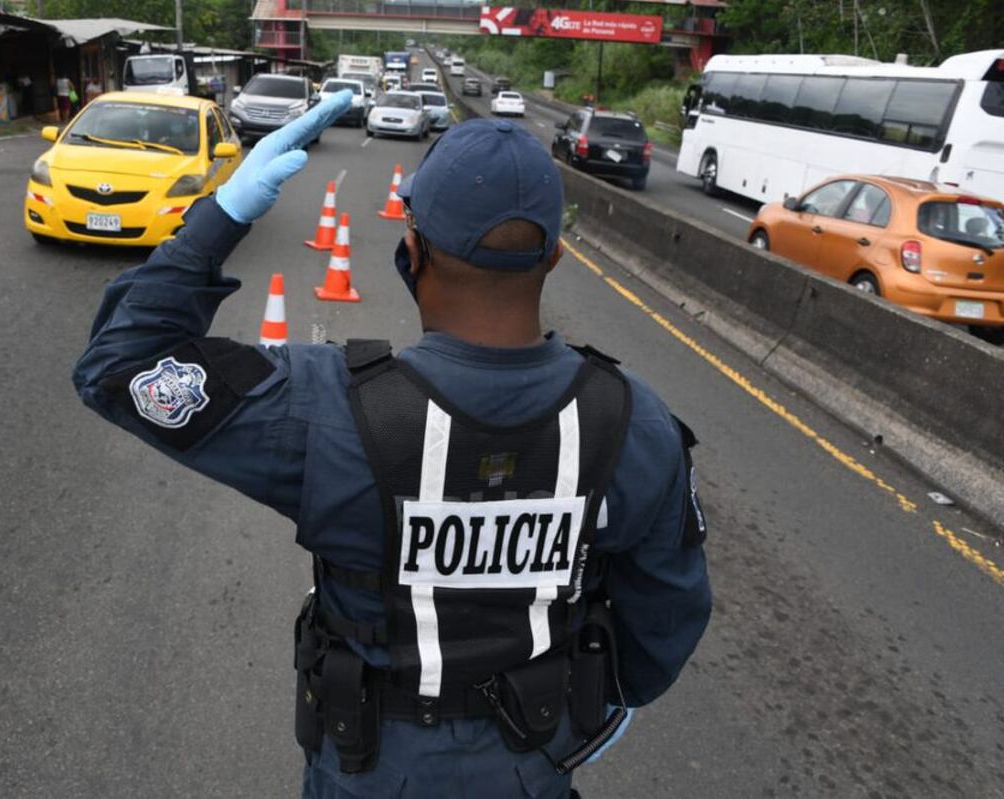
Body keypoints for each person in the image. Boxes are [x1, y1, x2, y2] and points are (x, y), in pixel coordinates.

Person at [72, 91, 711, 798]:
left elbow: (118, 366)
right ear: (555, 256)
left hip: (368, 771)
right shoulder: (634, 422)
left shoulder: (329, 409)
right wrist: (606, 696)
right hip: (536, 764)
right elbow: (666, 617)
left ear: (412, 252)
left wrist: (217, 218)